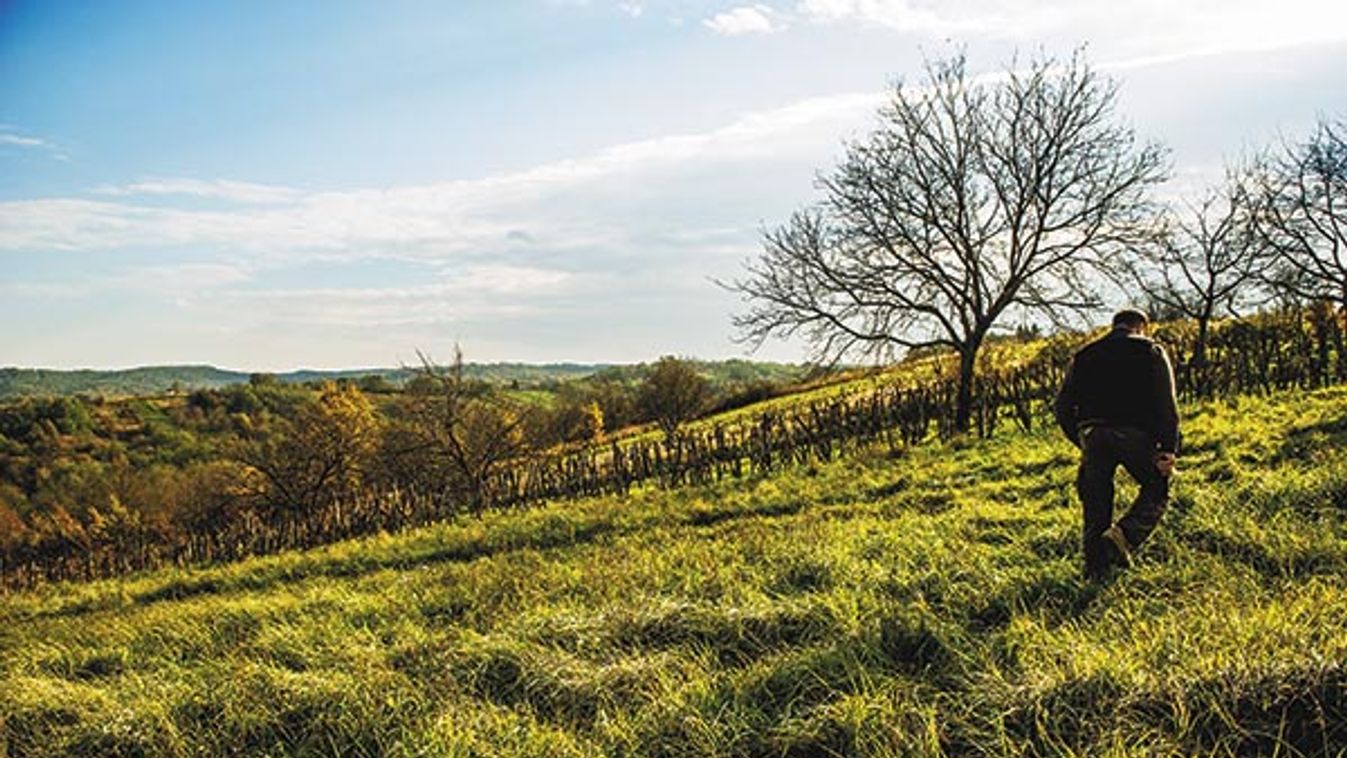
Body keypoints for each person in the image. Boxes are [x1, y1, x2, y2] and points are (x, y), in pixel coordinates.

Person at [1054, 309, 1180, 580]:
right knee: (1157, 487)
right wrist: (1168, 448)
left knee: (1095, 501)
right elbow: (1166, 403)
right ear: (1141, 327)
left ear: (1114, 326)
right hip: (1134, 433)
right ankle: (1124, 535)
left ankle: (1095, 571)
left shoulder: (1084, 356)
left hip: (1093, 433)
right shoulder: (1151, 351)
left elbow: (1062, 406)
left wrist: (1081, 439)